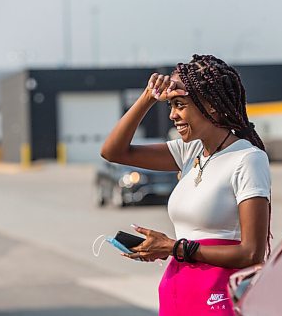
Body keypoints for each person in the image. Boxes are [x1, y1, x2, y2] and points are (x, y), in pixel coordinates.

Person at [100, 54, 271, 315]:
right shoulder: (189, 152)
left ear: (211, 105)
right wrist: (147, 97)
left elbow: (251, 253)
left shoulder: (247, 159)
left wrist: (173, 247)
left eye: (179, 105)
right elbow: (113, 152)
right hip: (177, 293)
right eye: (170, 105)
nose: (172, 115)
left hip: (217, 299)